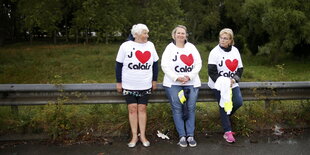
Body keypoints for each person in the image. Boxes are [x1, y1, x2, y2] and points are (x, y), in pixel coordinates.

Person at [115, 23, 159, 148]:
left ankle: (143, 135)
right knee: (132, 109)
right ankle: (134, 136)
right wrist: (119, 82)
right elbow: (118, 65)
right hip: (129, 83)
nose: (147, 35)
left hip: (145, 83)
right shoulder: (125, 46)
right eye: (145, 33)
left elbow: (155, 63)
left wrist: (154, 80)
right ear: (137, 35)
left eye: (147, 33)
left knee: (142, 109)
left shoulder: (150, 45)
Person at [161, 25, 202, 147]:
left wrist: (189, 76)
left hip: (191, 82)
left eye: (183, 33)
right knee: (177, 108)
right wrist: (177, 77)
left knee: (191, 108)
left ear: (186, 35)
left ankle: (190, 135)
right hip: (173, 83)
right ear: (174, 35)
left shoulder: (191, 48)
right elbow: (164, 66)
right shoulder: (169, 48)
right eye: (178, 33)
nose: (180, 35)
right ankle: (182, 136)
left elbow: (198, 63)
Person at [207, 28, 243, 143]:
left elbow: (240, 68)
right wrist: (224, 82)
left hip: (232, 83)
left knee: (238, 102)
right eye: (221, 38)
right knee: (224, 105)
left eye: (225, 38)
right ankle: (227, 132)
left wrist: (234, 79)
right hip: (219, 84)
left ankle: (224, 118)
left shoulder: (235, 51)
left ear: (230, 40)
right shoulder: (214, 52)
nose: (222, 40)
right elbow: (211, 72)